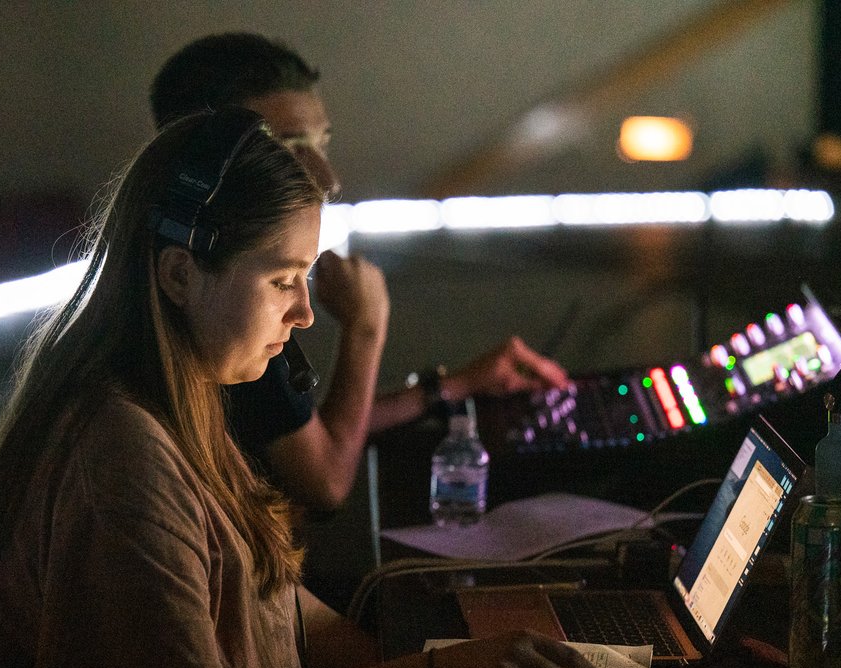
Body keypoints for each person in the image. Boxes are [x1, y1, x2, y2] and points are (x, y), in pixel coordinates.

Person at [0, 109, 606, 668]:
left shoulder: (183, 395)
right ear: (179, 274)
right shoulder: (120, 454)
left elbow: (284, 603)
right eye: (281, 280)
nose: (303, 313)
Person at [150, 33, 571, 511]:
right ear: (200, 161)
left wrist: (454, 385)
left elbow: (304, 429)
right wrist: (366, 327)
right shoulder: (223, 301)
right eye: (286, 147)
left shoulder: (213, 276)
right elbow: (324, 480)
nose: (327, 179)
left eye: (321, 144)